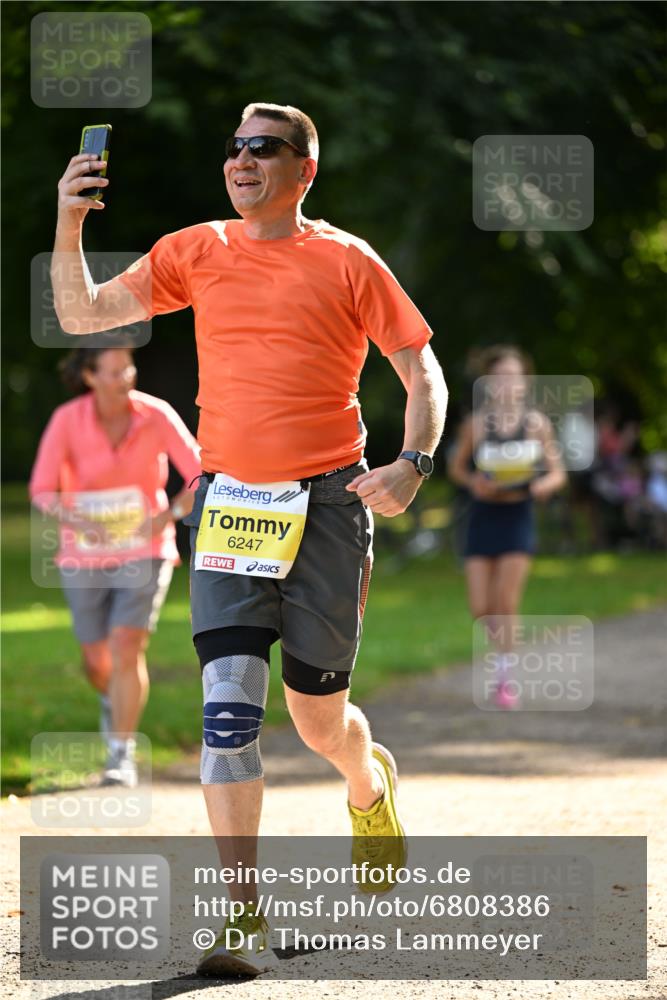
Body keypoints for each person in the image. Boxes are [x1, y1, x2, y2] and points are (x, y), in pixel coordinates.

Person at [50, 102, 448, 976]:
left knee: (315, 721)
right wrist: (70, 220)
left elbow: (420, 366)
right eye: (233, 147)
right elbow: (81, 316)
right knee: (227, 715)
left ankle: (366, 781)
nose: (241, 160)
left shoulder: (347, 259)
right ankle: (240, 917)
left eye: (262, 148)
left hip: (329, 509)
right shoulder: (196, 249)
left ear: (303, 170)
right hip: (231, 504)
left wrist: (413, 462)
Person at [29, 347, 201, 787]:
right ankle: (114, 699)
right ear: (90, 376)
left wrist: (167, 516)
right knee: (96, 659)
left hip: (146, 550)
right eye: (114, 369)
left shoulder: (155, 414)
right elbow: (42, 490)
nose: (126, 375)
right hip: (82, 555)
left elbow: (202, 472)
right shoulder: (67, 420)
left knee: (128, 645)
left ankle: (119, 754)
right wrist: (77, 518)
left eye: (129, 367)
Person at [448, 346, 566, 708]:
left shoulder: (536, 424)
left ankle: (505, 678)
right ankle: (505, 648)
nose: (507, 383)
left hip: (518, 517)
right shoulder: (476, 424)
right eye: (500, 376)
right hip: (483, 518)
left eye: (514, 376)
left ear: (524, 382)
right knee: (481, 607)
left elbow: (558, 473)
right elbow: (456, 467)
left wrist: (541, 486)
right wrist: (473, 483)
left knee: (505, 602)